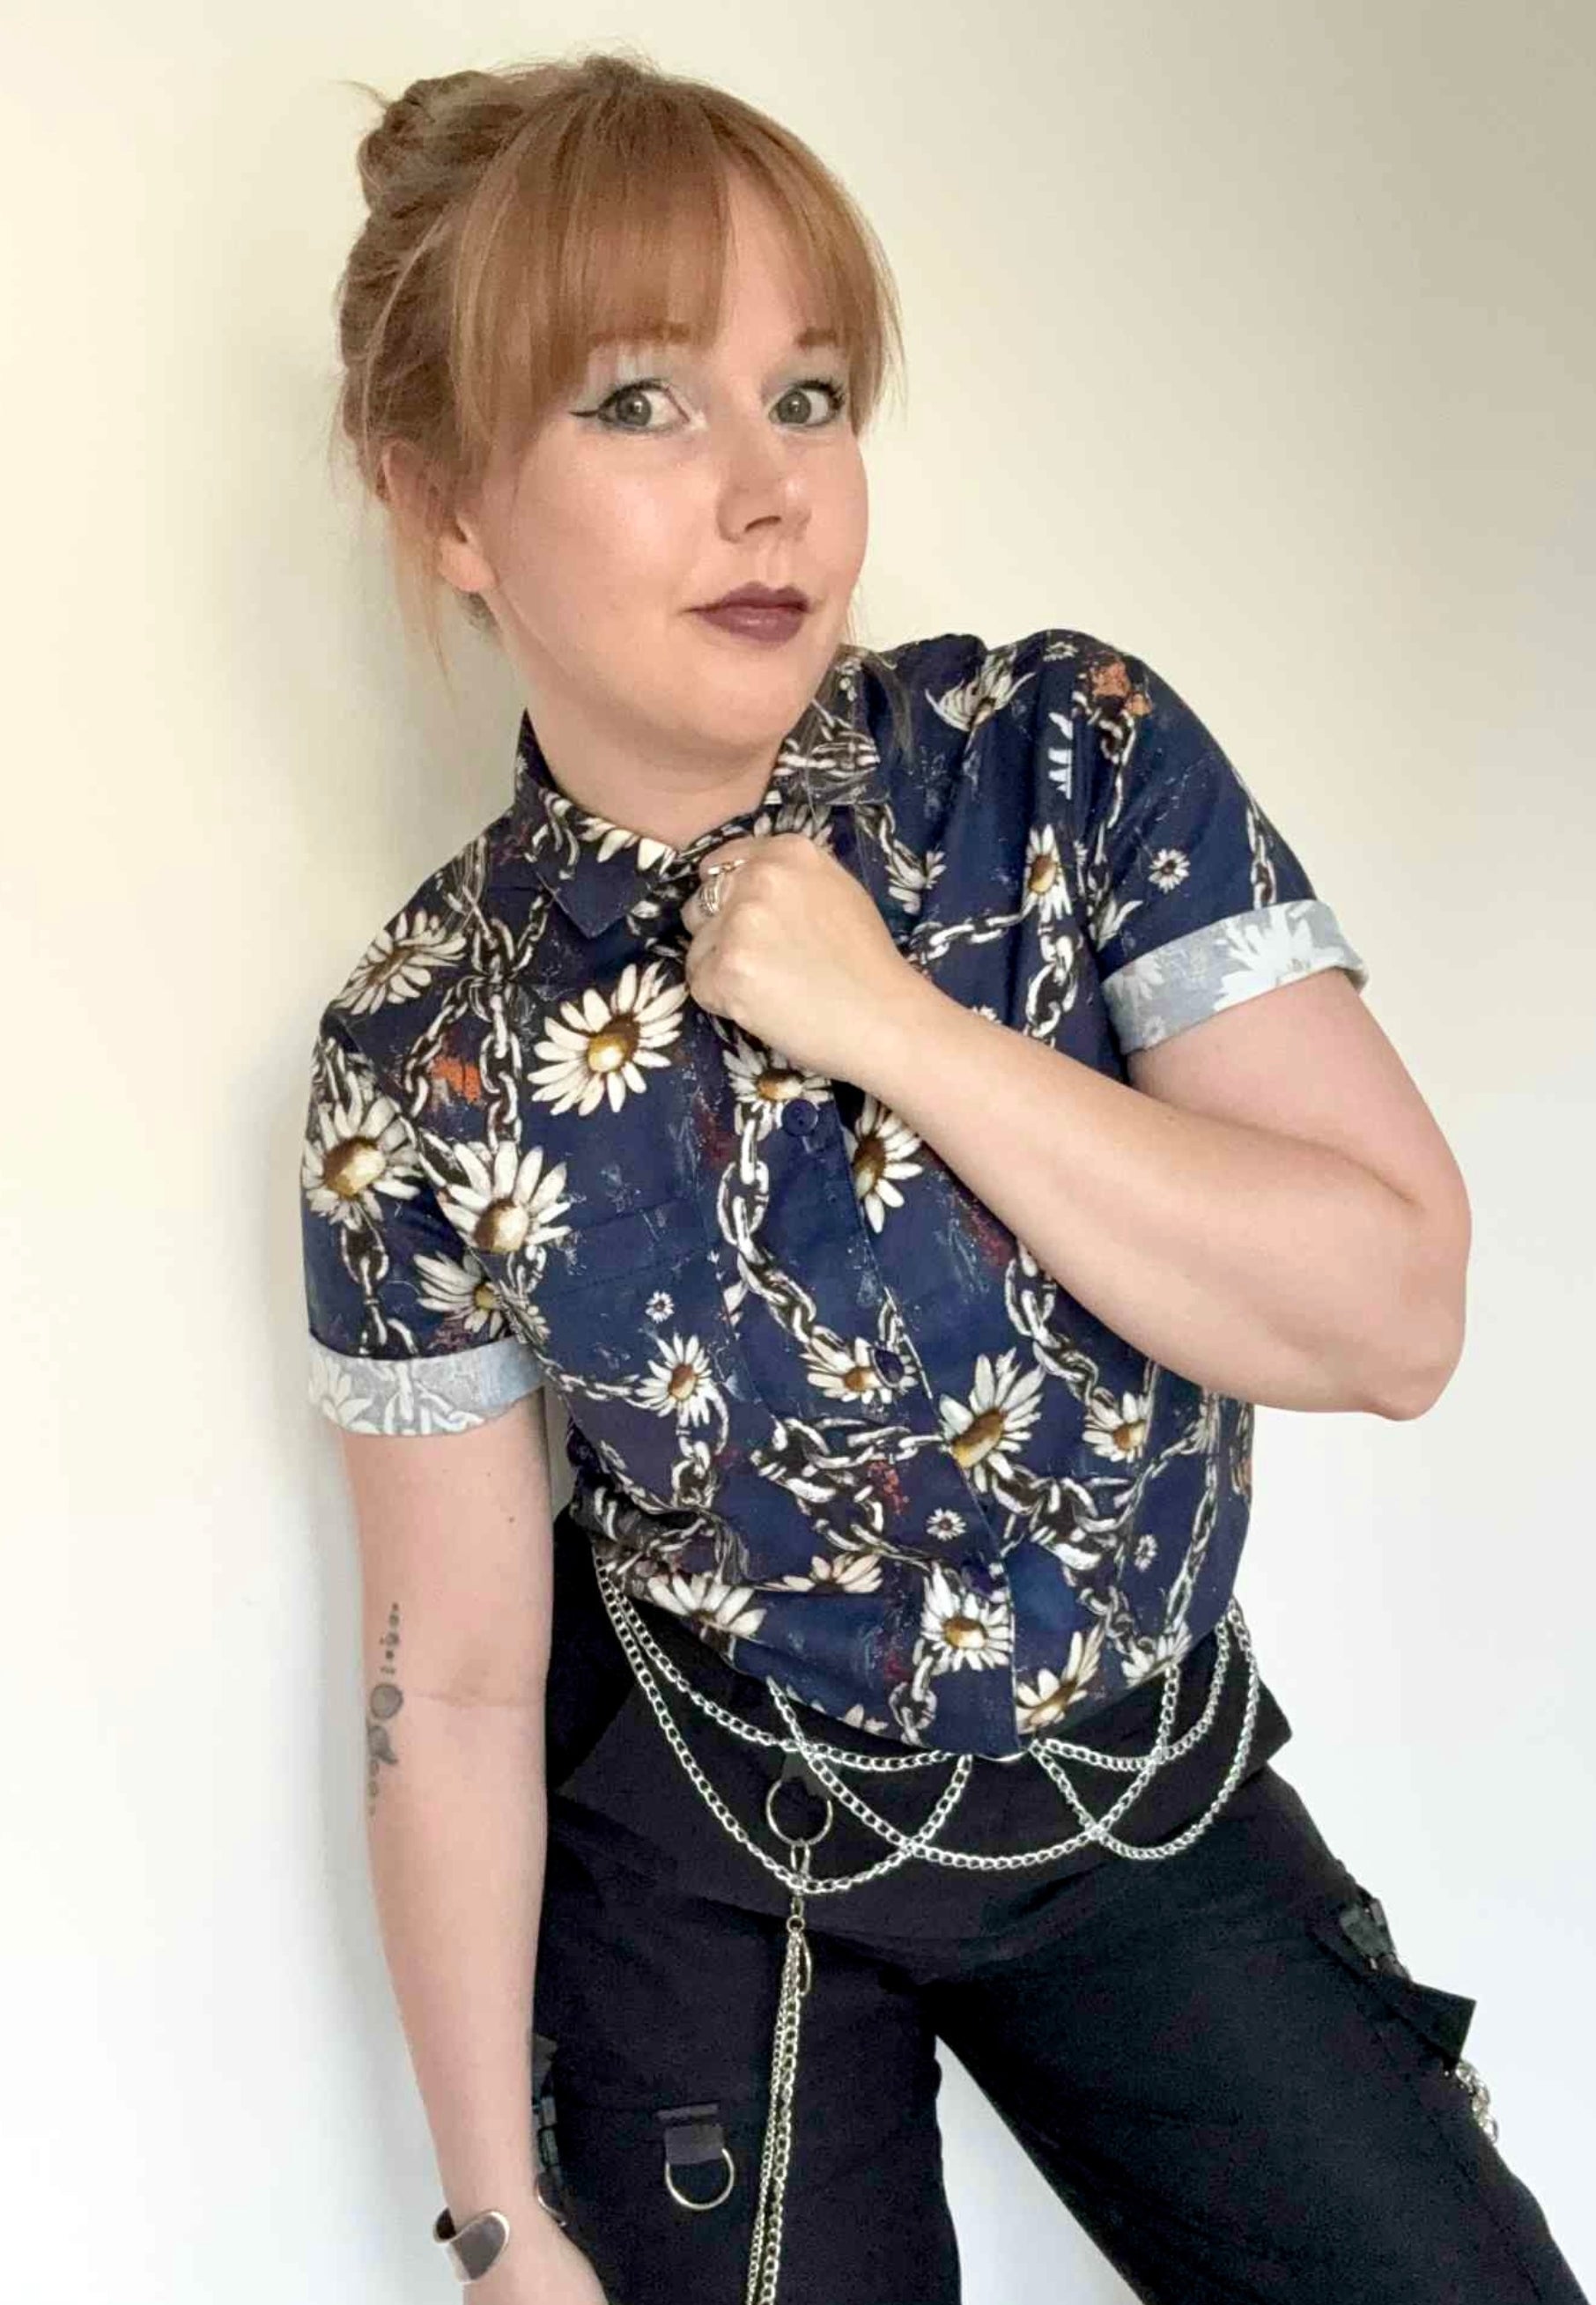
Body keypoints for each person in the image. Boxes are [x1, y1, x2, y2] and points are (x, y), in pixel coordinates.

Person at [297, 48, 1588, 2305]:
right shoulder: (421, 1050)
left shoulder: (1069, 760)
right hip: (715, 1844)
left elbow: (1396, 1314)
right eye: (641, 403)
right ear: (446, 506)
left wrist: (900, 1027)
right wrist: (500, 2221)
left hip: (1134, 1787)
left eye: (807, 395)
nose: (767, 490)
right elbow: (461, 1676)